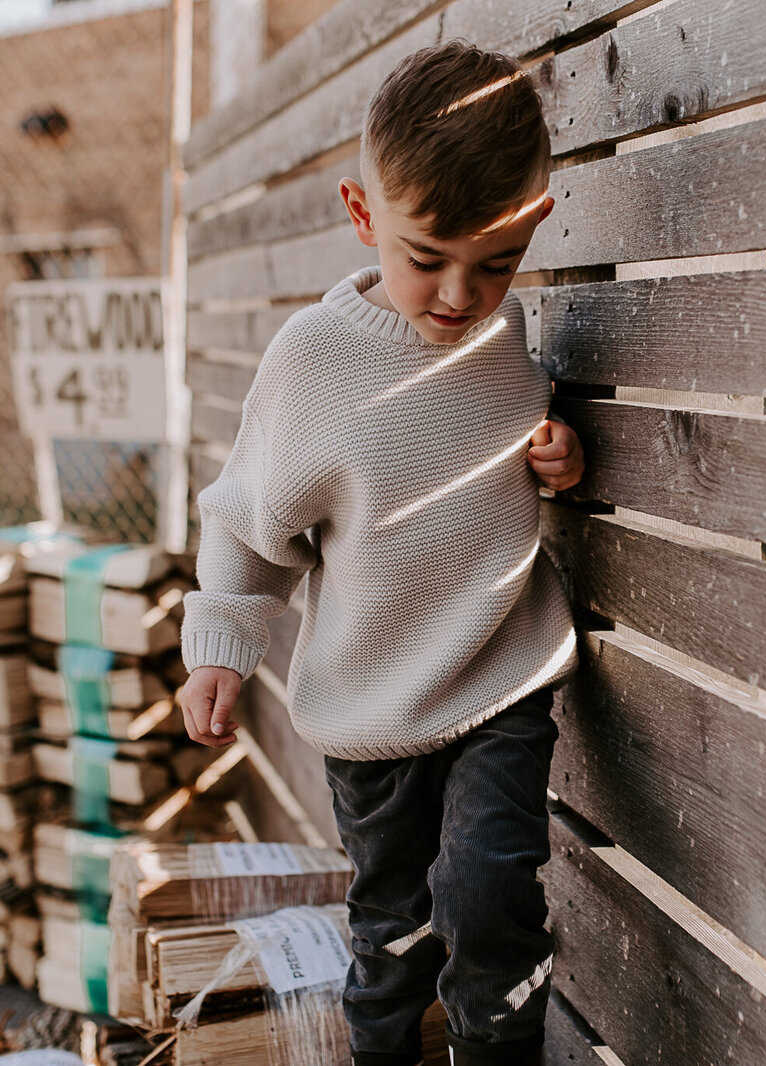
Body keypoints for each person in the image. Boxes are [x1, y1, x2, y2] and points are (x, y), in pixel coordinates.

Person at [175, 39, 585, 1066]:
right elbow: (244, 521)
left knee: (487, 893)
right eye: (428, 258)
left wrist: (559, 463)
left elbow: (503, 454)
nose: (460, 295)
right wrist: (219, 643)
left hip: (499, 677)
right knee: (391, 934)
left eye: (495, 263)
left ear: (532, 224)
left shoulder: (509, 335)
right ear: (364, 217)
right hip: (368, 712)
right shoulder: (314, 362)